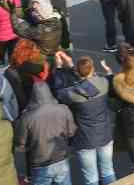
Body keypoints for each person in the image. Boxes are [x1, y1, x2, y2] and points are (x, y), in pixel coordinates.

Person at [52, 53, 116, 185]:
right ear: (92, 69)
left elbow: (58, 91)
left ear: (78, 72)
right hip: (104, 135)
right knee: (108, 171)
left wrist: (59, 68)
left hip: (84, 139)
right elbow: (92, 82)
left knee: (91, 177)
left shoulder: (73, 93)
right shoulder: (103, 83)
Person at [15, 82, 77, 185]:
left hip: (40, 163)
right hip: (61, 158)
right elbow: (71, 132)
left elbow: (20, 144)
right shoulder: (63, 109)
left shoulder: (27, 117)